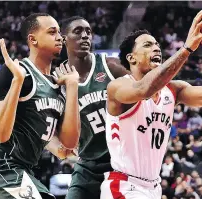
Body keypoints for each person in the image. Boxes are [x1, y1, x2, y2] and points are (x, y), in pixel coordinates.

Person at [101, 9, 202, 199]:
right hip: (124, 185)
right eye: (147, 45)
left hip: (153, 187)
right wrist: (186, 48)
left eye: (157, 44)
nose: (156, 48)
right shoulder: (118, 87)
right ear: (131, 58)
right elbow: (144, 90)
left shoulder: (173, 90)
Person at [0, 13, 80, 199]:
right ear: (33, 40)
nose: (60, 37)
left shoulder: (59, 83)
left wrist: (72, 87)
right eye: (52, 32)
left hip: (23, 167)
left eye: (60, 32)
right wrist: (17, 82)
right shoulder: (17, 72)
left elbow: (65, 146)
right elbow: (0, 134)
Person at [60, 16, 129, 199]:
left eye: (88, 32)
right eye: (78, 32)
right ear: (64, 39)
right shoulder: (59, 81)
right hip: (88, 166)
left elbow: (142, 90)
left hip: (122, 163)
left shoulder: (110, 66)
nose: (85, 36)